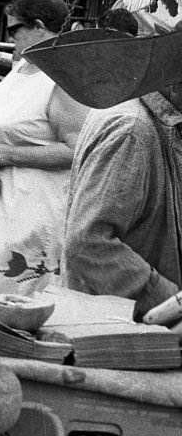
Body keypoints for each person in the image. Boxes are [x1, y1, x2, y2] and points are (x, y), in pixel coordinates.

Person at [0, 0, 91, 294]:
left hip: (30, 212)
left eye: (15, 29)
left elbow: (78, 149)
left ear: (39, 26)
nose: (11, 37)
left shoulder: (62, 80)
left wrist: (10, 155)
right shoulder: (23, 69)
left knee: (13, 302)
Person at [63, 79, 182, 318]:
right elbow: (88, 244)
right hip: (116, 325)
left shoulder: (155, 122)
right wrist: (169, 301)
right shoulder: (131, 130)